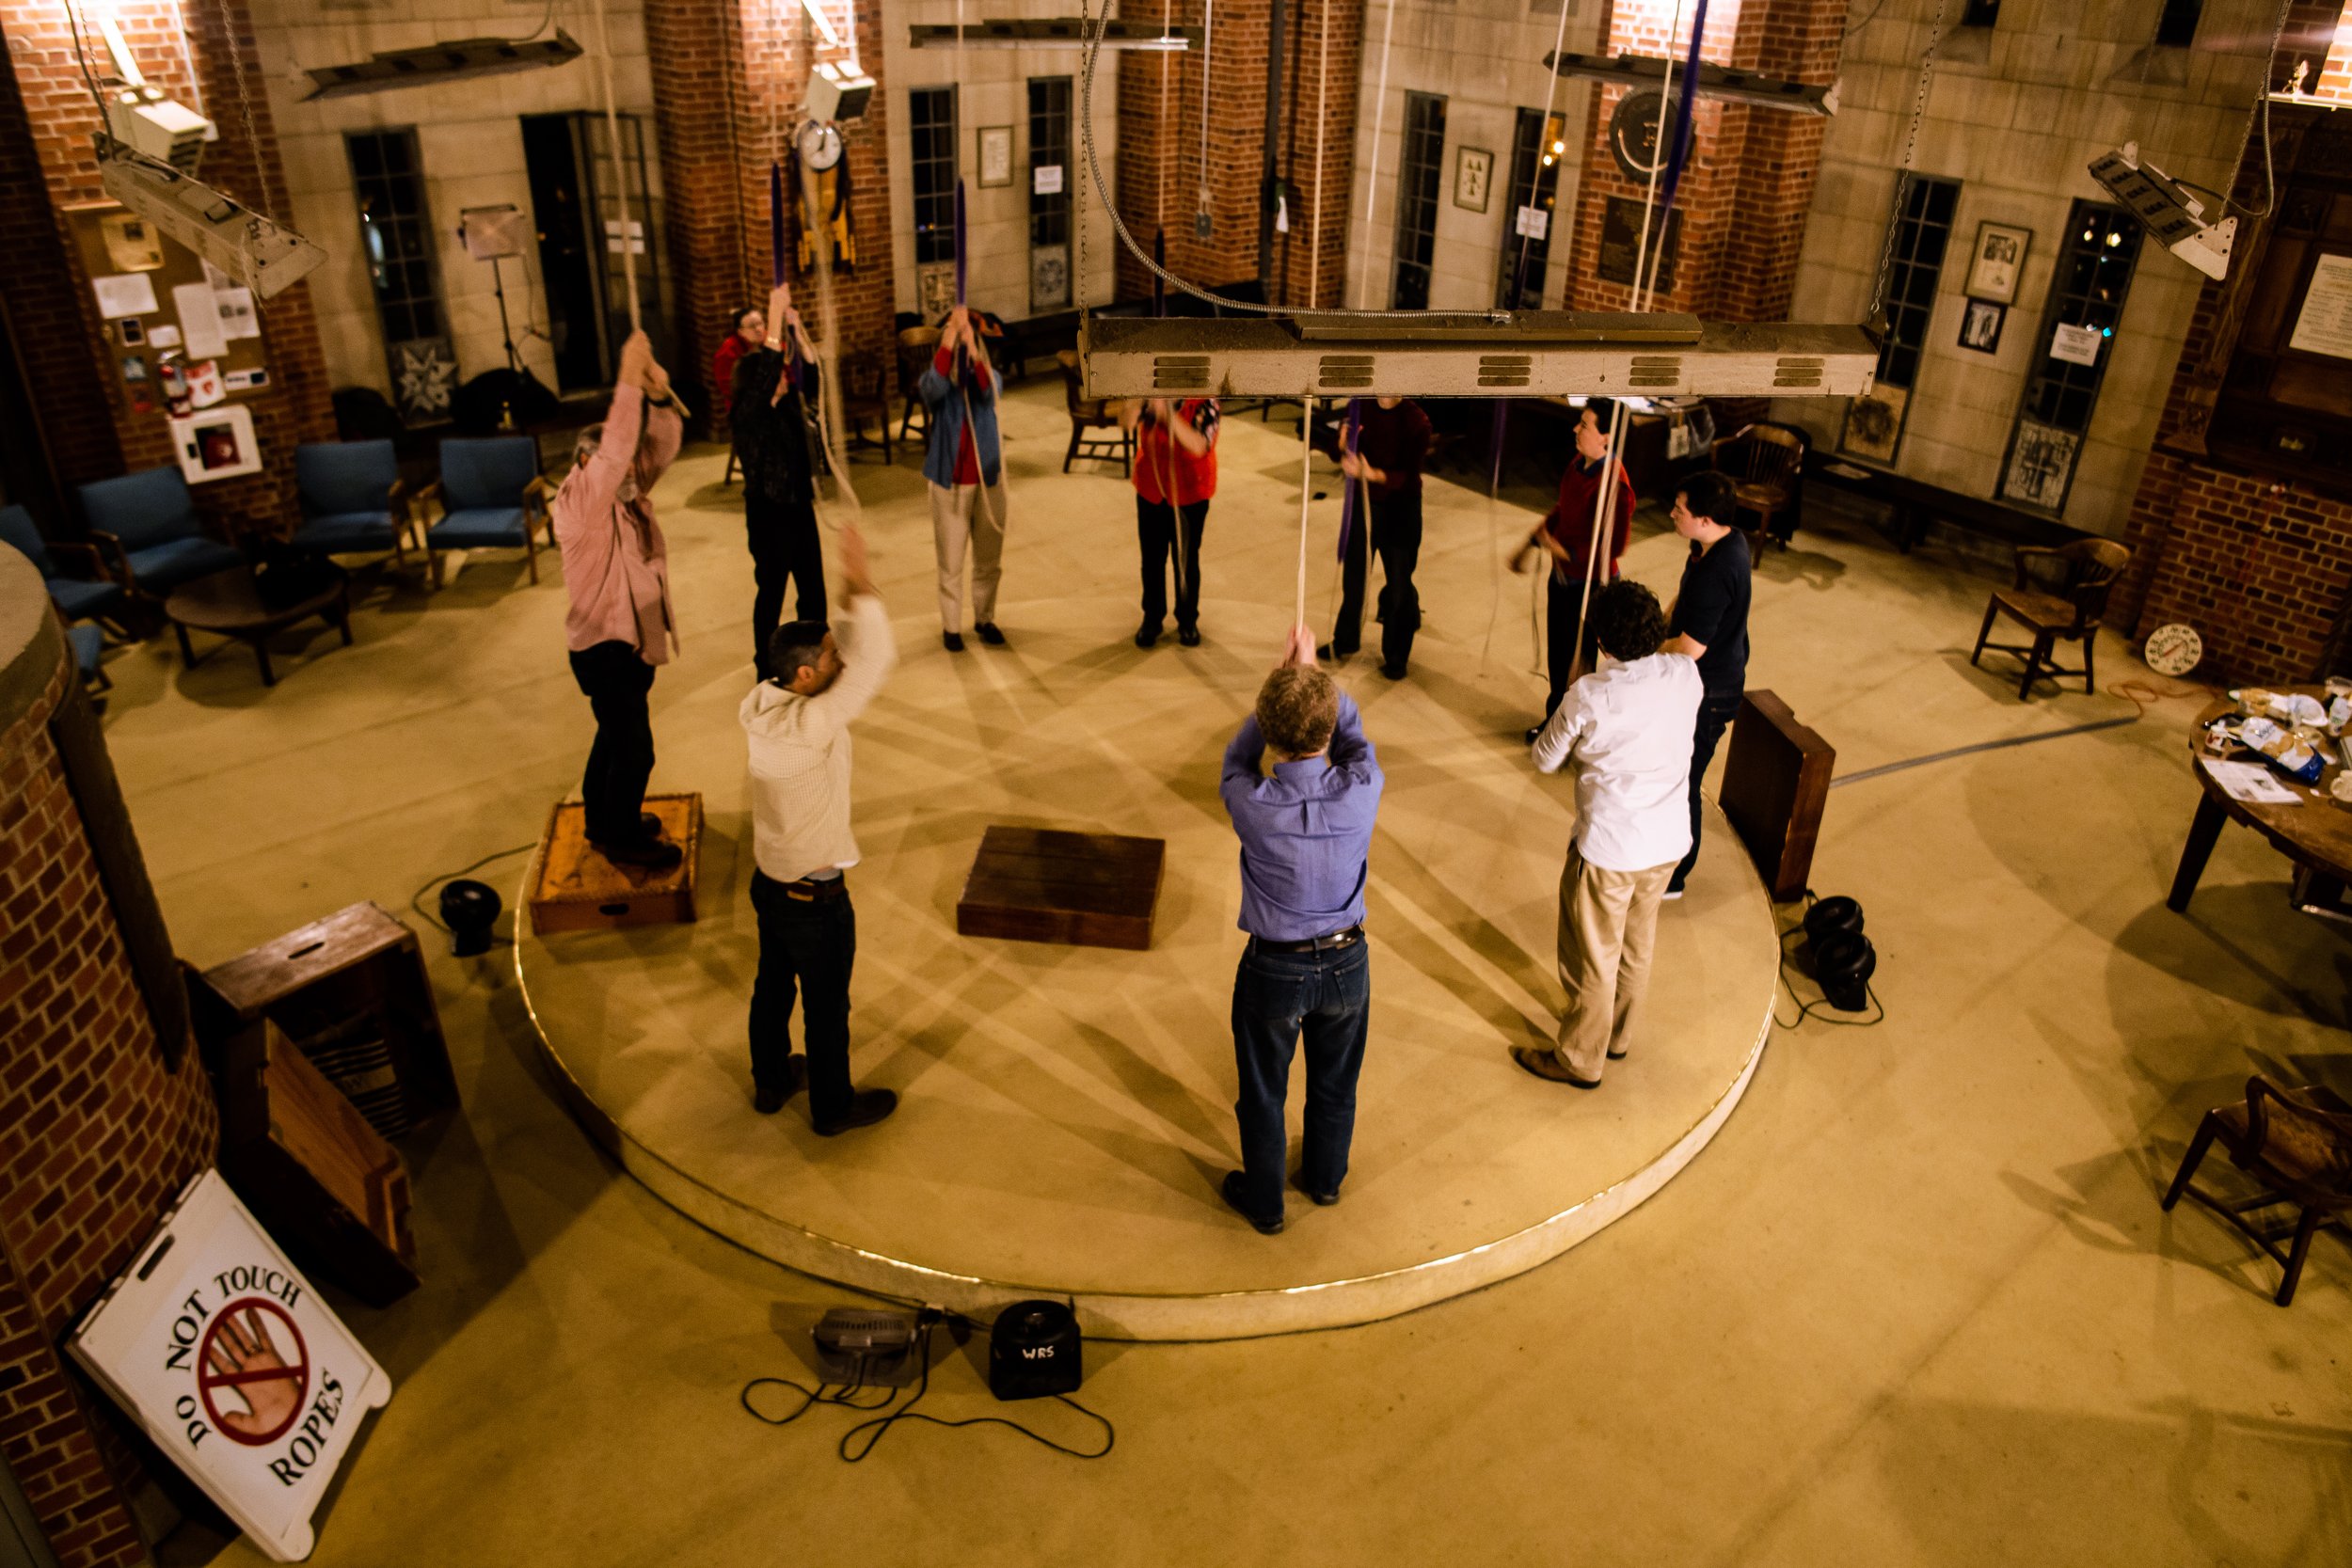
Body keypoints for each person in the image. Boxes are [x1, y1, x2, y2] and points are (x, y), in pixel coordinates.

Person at [1216, 626, 1384, 1234]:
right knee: (1336, 1082)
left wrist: (1280, 690)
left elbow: (1235, 759)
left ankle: (1264, 1203)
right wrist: (1315, 681)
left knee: (1263, 1090)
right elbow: (1357, 739)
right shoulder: (1363, 790)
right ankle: (1325, 1179)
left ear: (1272, 736)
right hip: (1347, 963)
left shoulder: (1251, 801)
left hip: (1275, 967)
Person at [739, 522, 900, 1134]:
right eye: (831, 655)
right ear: (806, 676)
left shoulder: (767, 703)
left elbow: (853, 658)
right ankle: (833, 1108)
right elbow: (875, 661)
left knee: (773, 987)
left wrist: (845, 590)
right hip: (815, 899)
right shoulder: (814, 725)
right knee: (827, 1008)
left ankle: (771, 1079)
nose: (842, 658)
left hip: (772, 885)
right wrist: (857, 575)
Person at [1515, 580, 1701, 1088]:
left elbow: (1544, 758)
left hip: (1610, 849)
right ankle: (1617, 1037)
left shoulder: (1589, 696)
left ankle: (1579, 1058)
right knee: (1638, 943)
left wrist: (1575, 701)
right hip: (1666, 843)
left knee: (1593, 957)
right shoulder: (1686, 674)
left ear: (1602, 643)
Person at [553, 329, 683, 871]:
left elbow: (660, 448)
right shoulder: (583, 504)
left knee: (612, 736)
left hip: (628, 644)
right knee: (635, 749)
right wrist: (628, 378)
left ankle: (602, 819)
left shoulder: (628, 498)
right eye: (620, 465)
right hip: (604, 649)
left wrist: (657, 397)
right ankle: (623, 837)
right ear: (588, 464)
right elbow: (615, 454)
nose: (633, 471)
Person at [1512, 398, 1633, 743]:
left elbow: (1615, 547)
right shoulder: (1579, 464)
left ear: (1607, 437)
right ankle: (1556, 721)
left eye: (1585, 425)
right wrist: (1533, 542)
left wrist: (1561, 550)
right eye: (1579, 423)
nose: (1575, 429)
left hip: (1590, 585)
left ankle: (1571, 732)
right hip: (1563, 578)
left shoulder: (1615, 485)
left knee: (1578, 667)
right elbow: (1563, 509)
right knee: (1559, 657)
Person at [1659, 470, 1750, 899]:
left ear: (1706, 519)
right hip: (1705, 680)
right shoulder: (1712, 545)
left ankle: (1676, 875)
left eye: (1681, 510)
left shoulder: (1721, 568)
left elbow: (1690, 647)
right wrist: (1659, 622)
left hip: (1709, 692)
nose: (1673, 514)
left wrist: (1641, 651)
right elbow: (1684, 602)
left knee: (1685, 779)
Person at [731, 283, 825, 677]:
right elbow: (769, 368)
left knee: (813, 590)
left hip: (799, 508)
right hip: (769, 516)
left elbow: (812, 373)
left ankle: (815, 653)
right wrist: (772, 314)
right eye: (776, 378)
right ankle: (765, 665)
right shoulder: (749, 416)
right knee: (771, 594)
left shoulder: (787, 405)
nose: (784, 380)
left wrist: (795, 327)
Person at [1321, 396, 1434, 679]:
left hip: (1401, 509)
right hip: (1365, 503)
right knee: (1355, 575)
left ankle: (1396, 656)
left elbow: (1409, 477)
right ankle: (1346, 638)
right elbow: (1340, 450)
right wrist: (1342, 445)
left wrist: (1372, 474)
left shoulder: (1416, 421)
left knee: (1399, 584)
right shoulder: (1359, 405)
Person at [917, 305, 1007, 653]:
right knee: (951, 559)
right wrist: (950, 338)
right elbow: (930, 391)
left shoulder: (989, 375)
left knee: (988, 557)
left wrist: (971, 345)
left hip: (988, 480)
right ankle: (951, 626)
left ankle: (985, 617)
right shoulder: (941, 384)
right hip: (950, 481)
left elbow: (990, 393)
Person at [1122, 393, 1220, 647]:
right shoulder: (1150, 391)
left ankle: (1187, 620)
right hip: (1151, 488)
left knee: (1186, 560)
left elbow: (1199, 444)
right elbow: (1126, 422)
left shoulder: (1205, 400)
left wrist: (1168, 415)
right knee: (1152, 560)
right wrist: (1136, 398)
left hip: (1190, 493)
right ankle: (1152, 618)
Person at [711, 303, 765, 424]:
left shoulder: (769, 341)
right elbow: (728, 388)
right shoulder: (728, 352)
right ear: (740, 331)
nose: (758, 329)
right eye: (752, 326)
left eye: (760, 323)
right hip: (745, 408)